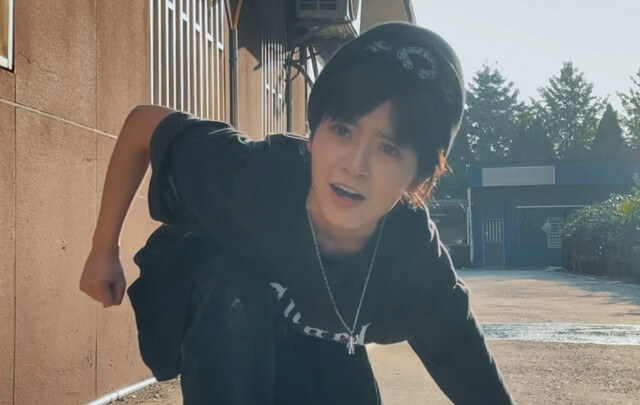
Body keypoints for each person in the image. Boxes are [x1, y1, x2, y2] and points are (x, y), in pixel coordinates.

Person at [79, 22, 513, 404]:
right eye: (342, 131)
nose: (355, 165)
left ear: (418, 180)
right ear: (312, 137)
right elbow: (144, 124)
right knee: (234, 292)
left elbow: (479, 384)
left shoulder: (418, 269)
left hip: (316, 335)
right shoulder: (256, 178)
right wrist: (103, 249)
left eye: (388, 148)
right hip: (215, 301)